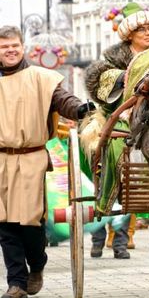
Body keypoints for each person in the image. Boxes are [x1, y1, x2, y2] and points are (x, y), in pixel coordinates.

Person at [0, 26, 94, 298]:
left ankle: (37, 264)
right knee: (5, 225)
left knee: (30, 223)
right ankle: (16, 283)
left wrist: (79, 109)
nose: (10, 50)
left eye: (14, 45)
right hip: (1, 161)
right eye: (5, 46)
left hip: (31, 159)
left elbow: (62, 100)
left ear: (22, 46)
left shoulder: (41, 78)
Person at [83, 2, 149, 260]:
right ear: (130, 34)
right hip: (119, 116)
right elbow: (103, 91)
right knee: (116, 145)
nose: (148, 33)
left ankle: (120, 241)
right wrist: (125, 77)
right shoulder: (111, 61)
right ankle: (101, 219)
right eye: (142, 29)